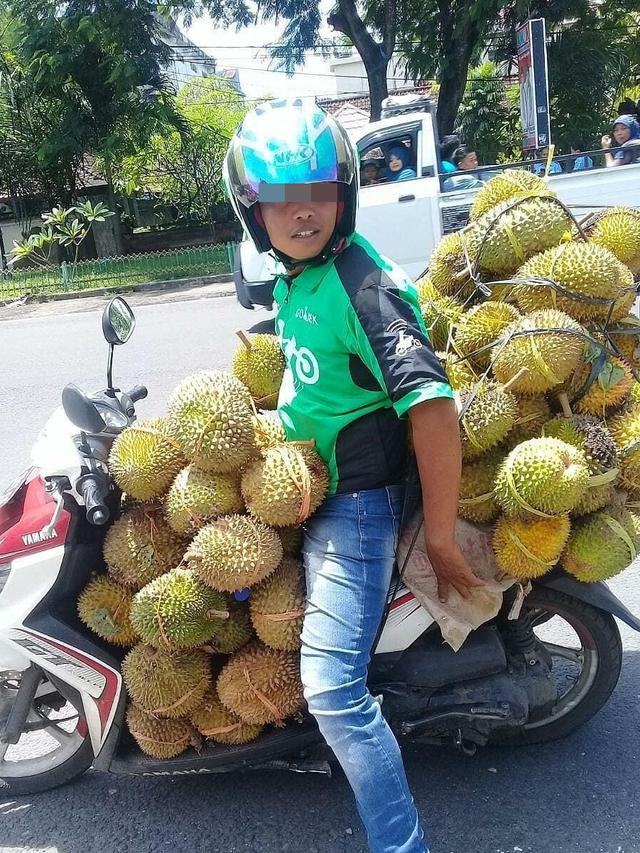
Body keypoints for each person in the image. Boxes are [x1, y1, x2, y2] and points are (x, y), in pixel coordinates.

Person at [224, 99, 483, 853]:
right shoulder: (297, 277)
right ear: (253, 212)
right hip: (310, 480)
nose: (302, 212)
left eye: (319, 194)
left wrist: (437, 534)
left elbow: (432, 405)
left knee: (334, 691)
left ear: (345, 195)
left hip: (357, 505)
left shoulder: (363, 283)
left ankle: (404, 846)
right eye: (280, 199)